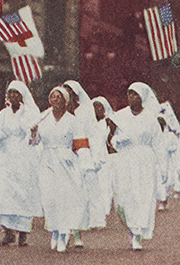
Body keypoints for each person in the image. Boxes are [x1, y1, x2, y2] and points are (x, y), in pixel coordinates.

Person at [108, 82, 164, 251]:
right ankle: (131, 229)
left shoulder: (150, 119)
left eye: (135, 95)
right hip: (125, 159)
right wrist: (117, 141)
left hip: (145, 161)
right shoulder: (120, 116)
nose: (131, 98)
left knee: (143, 196)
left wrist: (162, 169)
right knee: (125, 196)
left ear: (143, 98)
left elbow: (158, 145)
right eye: (129, 94)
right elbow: (110, 139)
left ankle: (138, 233)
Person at [32, 86, 85, 253]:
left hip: (66, 162)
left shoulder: (73, 120)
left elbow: (81, 144)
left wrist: (84, 164)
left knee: (64, 198)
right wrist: (33, 133)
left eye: (59, 97)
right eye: (52, 97)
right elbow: (34, 142)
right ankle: (54, 230)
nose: (55, 100)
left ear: (65, 101)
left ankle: (64, 234)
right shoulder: (43, 118)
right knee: (49, 198)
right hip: (47, 161)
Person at [0, 80, 41, 247]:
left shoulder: (30, 112)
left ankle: (23, 233)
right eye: (10, 93)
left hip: (23, 157)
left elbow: (33, 137)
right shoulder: (3, 113)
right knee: (5, 193)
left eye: (16, 93)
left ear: (22, 96)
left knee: (23, 194)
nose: (12, 96)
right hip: (6, 157)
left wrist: (30, 129)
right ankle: (8, 232)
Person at [63, 81, 105, 247]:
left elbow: (94, 135)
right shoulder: (58, 112)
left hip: (82, 156)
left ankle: (77, 233)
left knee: (79, 195)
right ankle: (65, 231)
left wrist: (96, 158)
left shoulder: (86, 111)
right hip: (63, 156)